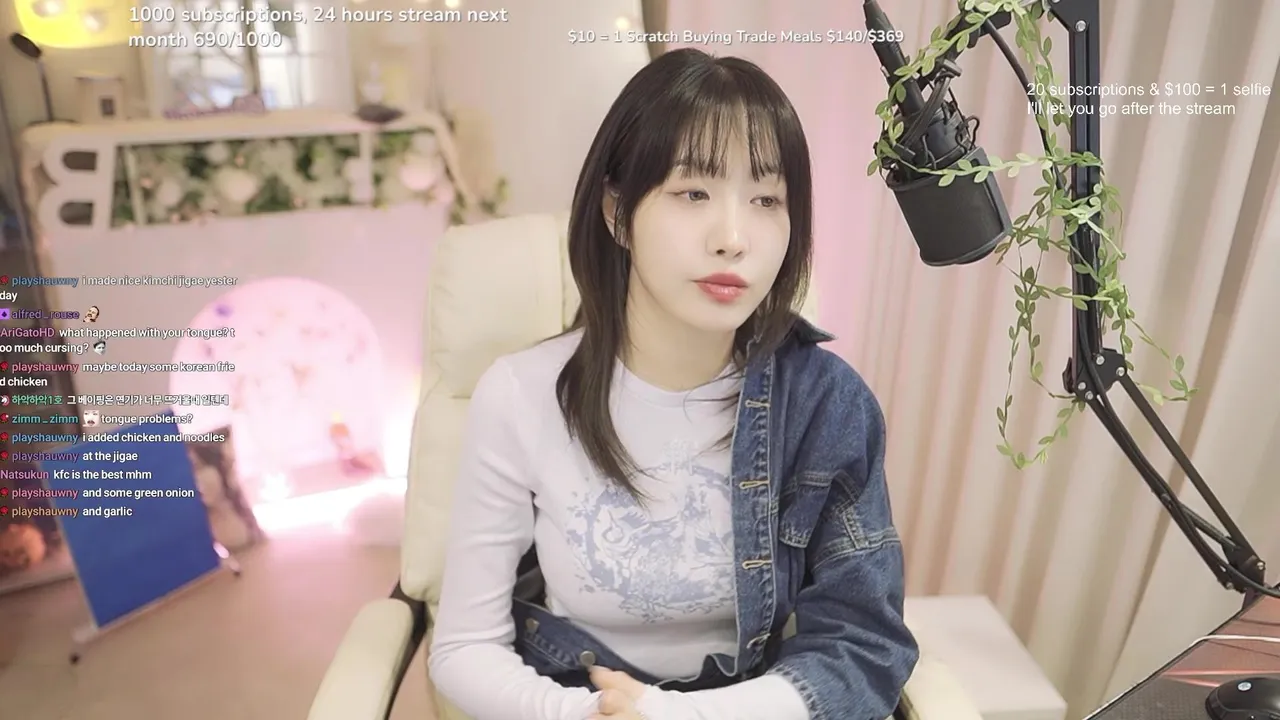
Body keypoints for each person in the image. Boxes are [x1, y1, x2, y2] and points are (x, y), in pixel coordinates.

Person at [428, 48, 918, 720]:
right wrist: (590, 716)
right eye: (693, 193)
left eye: (766, 199)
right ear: (617, 210)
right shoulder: (521, 395)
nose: (733, 238)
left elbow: (862, 647)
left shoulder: (827, 405)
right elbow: (464, 647)